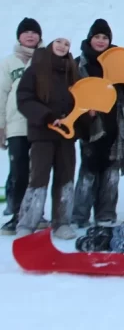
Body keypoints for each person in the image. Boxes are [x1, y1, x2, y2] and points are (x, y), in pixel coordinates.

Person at [15, 37, 86, 239]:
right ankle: (27, 223)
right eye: (59, 42)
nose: (63, 46)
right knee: (38, 178)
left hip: (66, 136)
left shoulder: (73, 72)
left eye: (67, 44)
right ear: (51, 45)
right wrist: (46, 116)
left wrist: (85, 117)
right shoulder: (35, 70)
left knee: (65, 178)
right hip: (43, 134)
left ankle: (62, 222)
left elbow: (81, 100)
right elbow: (24, 98)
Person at [71, 19, 124, 228]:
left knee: (111, 171)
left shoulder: (118, 61)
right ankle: (80, 215)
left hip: (114, 122)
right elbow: (71, 93)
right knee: (89, 169)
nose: (100, 41)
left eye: (105, 37)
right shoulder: (79, 63)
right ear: (90, 38)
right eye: (97, 36)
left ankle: (106, 214)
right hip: (89, 125)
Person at [0, 18, 43, 234]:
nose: (30, 35)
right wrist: (1, 126)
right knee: (18, 170)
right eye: (26, 32)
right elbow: (1, 94)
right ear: (19, 37)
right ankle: (17, 214)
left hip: (40, 124)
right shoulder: (9, 62)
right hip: (16, 124)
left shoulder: (46, 59)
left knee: (38, 172)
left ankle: (36, 214)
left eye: (34, 32)